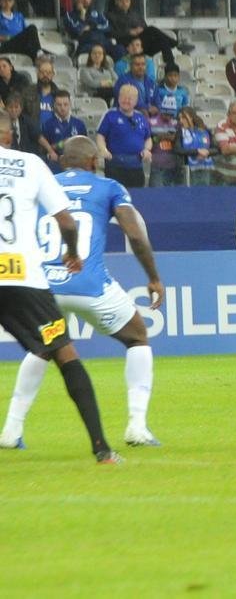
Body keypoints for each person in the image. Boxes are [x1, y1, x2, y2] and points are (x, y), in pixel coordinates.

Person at [2, 135, 163, 450]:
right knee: (137, 336)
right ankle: (137, 426)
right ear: (95, 161)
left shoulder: (40, 180)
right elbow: (135, 234)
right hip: (88, 282)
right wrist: (154, 278)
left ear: (62, 161)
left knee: (44, 348)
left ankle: (11, 430)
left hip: (44, 284)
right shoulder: (109, 187)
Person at [0, 113, 121, 462]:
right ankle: (102, 451)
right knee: (65, 354)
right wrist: (71, 252)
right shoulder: (31, 164)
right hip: (25, 280)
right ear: (11, 136)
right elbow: (66, 221)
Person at [96, 84, 150, 187]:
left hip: (136, 166)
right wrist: (103, 150)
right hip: (115, 166)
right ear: (118, 98)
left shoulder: (141, 117)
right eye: (123, 97)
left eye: (130, 98)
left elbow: (148, 138)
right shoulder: (110, 115)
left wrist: (146, 150)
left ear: (136, 101)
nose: (126, 101)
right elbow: (100, 136)